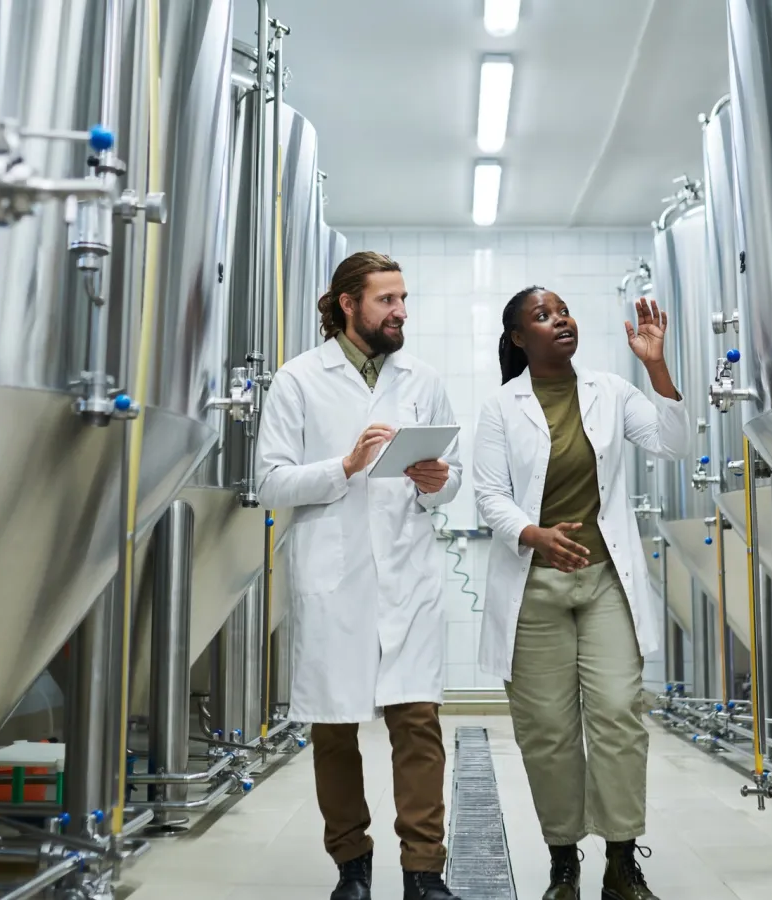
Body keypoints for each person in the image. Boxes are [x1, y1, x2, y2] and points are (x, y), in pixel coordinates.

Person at [254, 251, 464, 900]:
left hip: (406, 573)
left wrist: (438, 482)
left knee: (418, 724)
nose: (401, 312)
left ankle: (424, 874)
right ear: (349, 304)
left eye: (404, 299)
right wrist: (344, 466)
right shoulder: (297, 380)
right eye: (387, 301)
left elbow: (446, 481)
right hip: (334, 573)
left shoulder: (422, 379)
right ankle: (352, 867)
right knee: (334, 729)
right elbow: (268, 482)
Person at [472, 287, 689, 900]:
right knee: (547, 729)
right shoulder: (500, 407)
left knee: (619, 713)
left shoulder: (612, 391)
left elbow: (674, 444)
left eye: (563, 309)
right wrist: (534, 534)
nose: (559, 319)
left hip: (605, 583)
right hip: (533, 587)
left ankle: (622, 861)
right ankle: (563, 861)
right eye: (542, 316)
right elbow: (489, 498)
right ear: (518, 338)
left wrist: (654, 366)